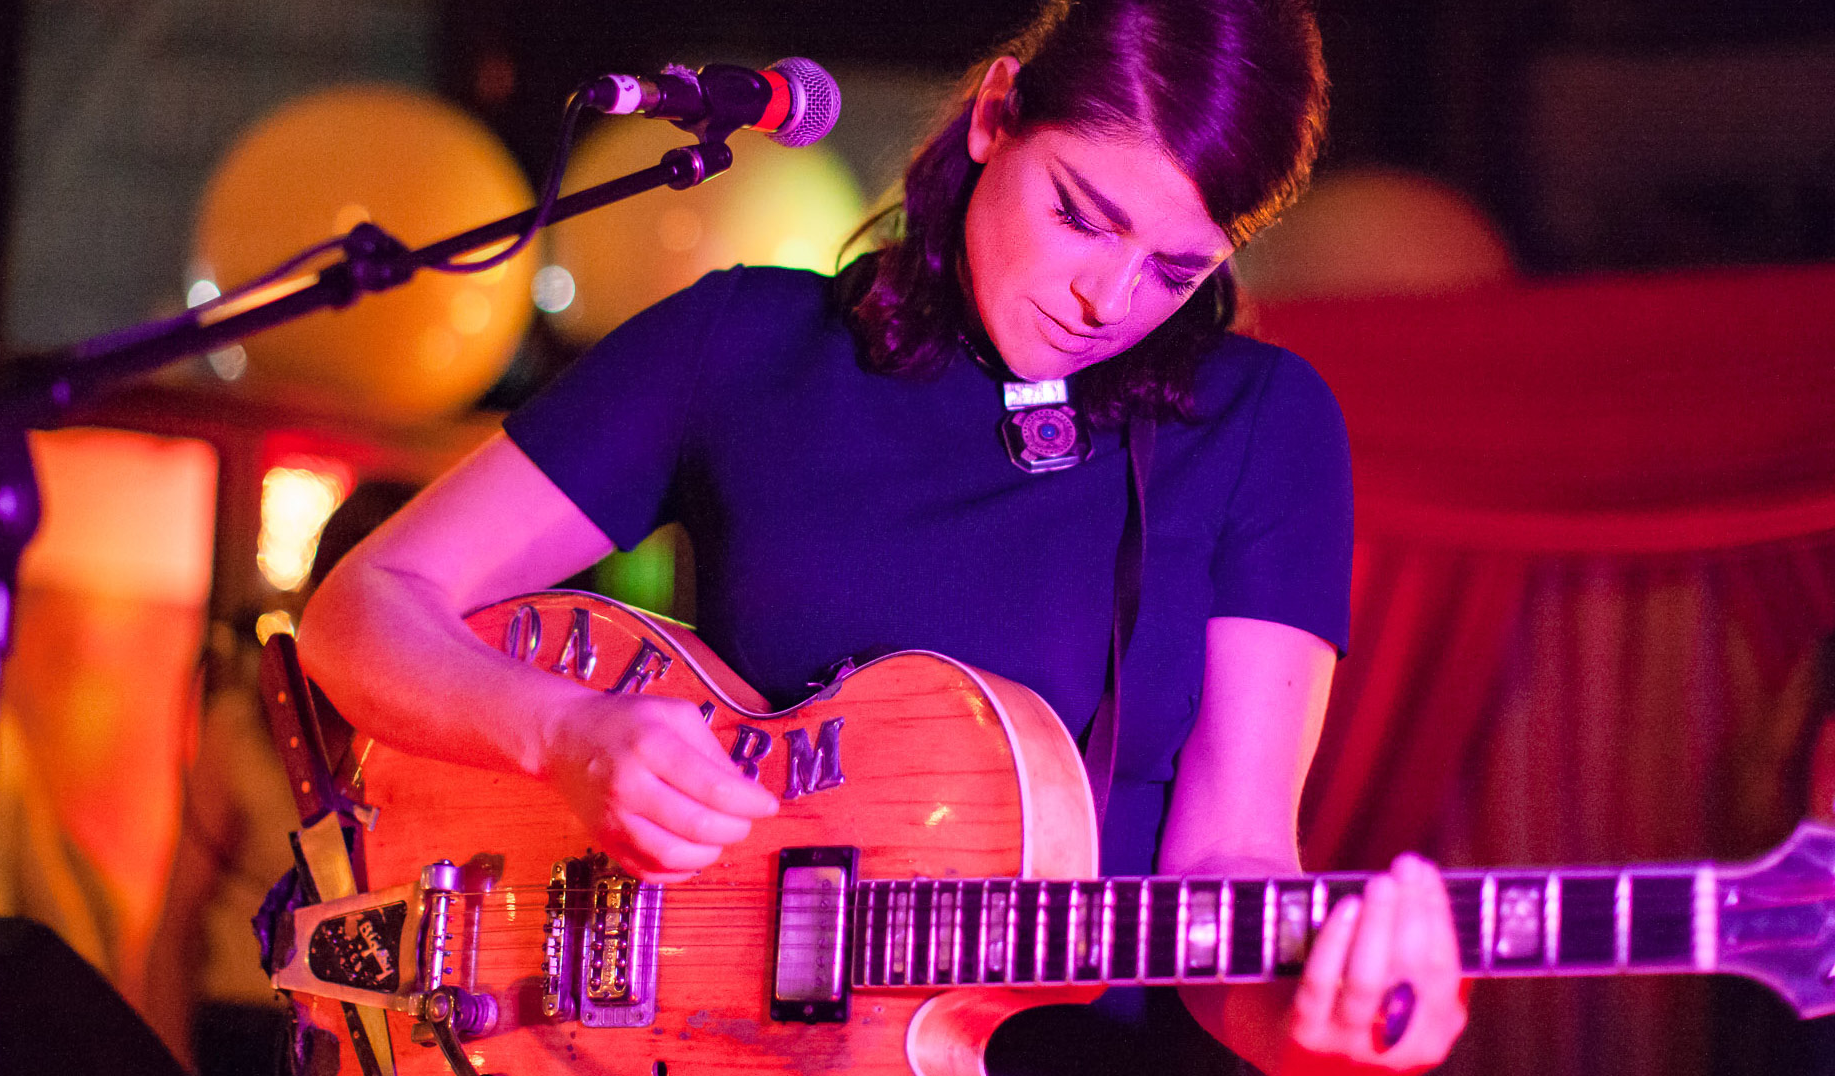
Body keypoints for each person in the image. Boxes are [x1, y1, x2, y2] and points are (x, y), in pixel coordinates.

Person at [300, 0, 1468, 1071]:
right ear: (996, 114)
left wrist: (1342, 1034)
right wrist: (565, 731)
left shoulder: (1260, 423)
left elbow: (1231, 871)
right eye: (1078, 214)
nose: (1107, 300)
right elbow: (363, 609)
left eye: (1173, 268)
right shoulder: (744, 346)